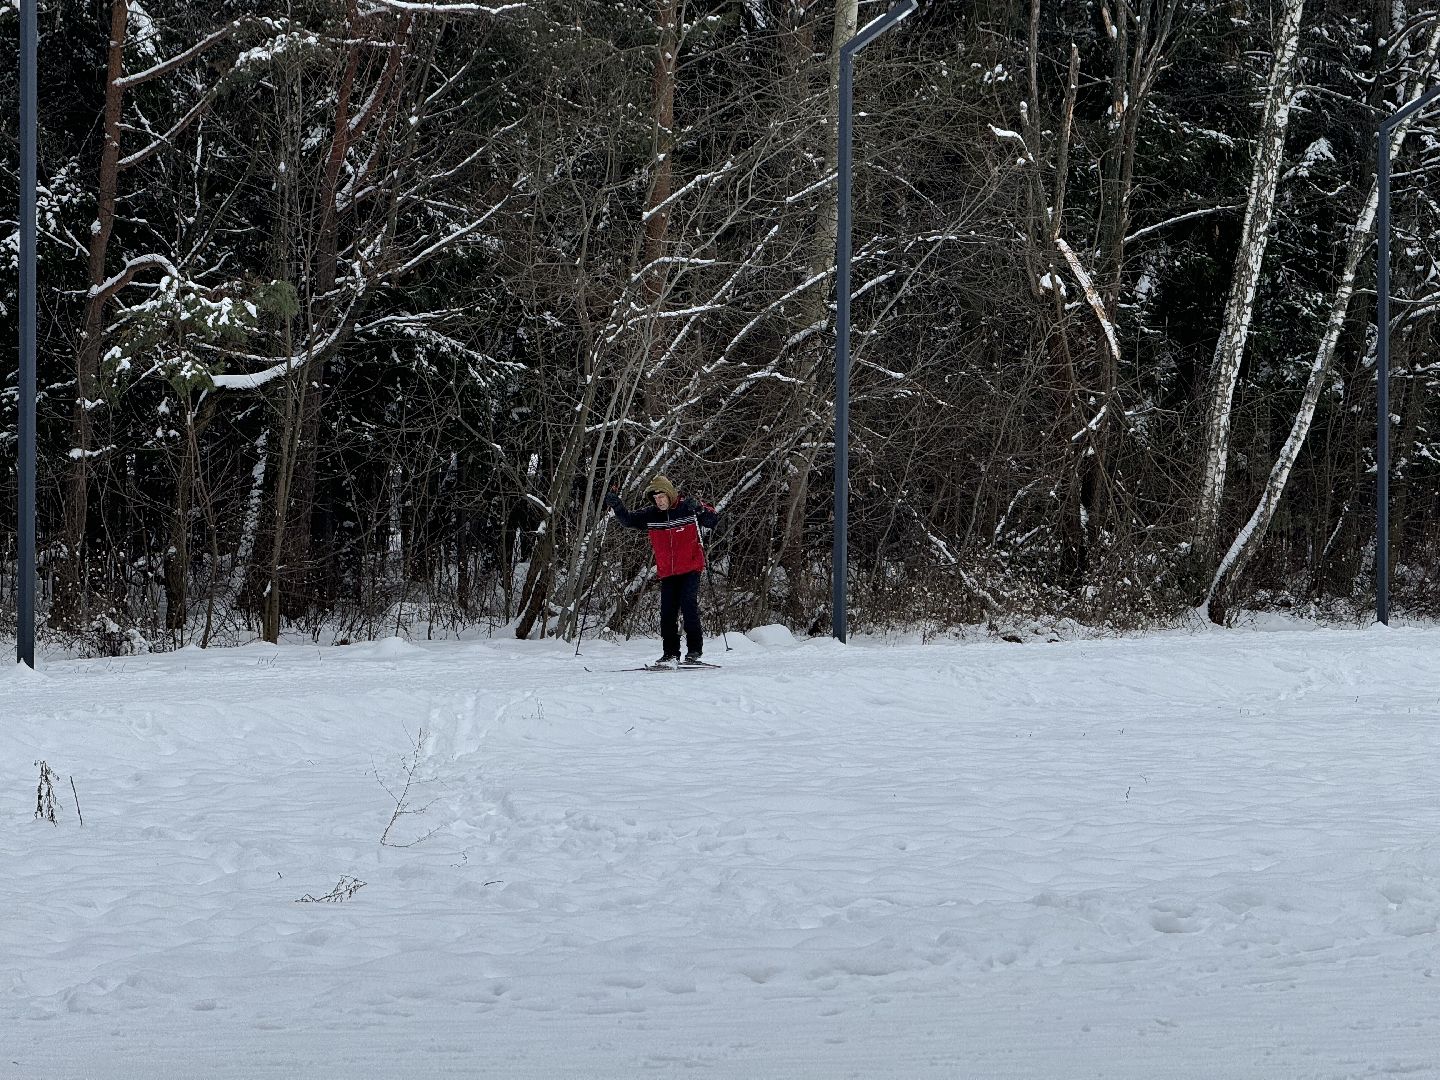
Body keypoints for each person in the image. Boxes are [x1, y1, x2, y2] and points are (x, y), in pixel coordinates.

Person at [605, 475, 719, 665]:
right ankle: (670, 653)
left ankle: (694, 651)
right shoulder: (652, 515)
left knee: (688, 604)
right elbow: (629, 520)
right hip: (668, 571)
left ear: (670, 495)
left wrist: (698, 509)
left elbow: (712, 520)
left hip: (690, 567)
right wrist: (617, 506)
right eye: (655, 498)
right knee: (667, 612)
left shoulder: (687, 508)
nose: (659, 502)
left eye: (662, 497)